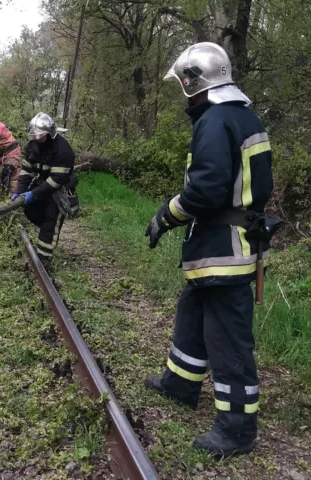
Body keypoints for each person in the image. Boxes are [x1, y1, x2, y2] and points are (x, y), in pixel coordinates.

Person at [144, 42, 275, 457]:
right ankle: (180, 383)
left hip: (225, 248)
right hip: (225, 246)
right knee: (193, 310)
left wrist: (166, 215)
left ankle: (237, 428)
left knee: (229, 338)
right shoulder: (243, 117)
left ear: (192, 82)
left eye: (183, 83)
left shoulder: (214, 120)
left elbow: (205, 191)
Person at [13, 112, 76, 265]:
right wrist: (19, 191)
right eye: (35, 137)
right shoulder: (32, 147)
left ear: (50, 133)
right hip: (41, 184)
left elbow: (55, 181)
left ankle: (43, 258)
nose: (38, 139)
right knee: (30, 210)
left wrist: (33, 194)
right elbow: (27, 172)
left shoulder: (63, 151)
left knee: (51, 220)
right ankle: (43, 231)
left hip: (58, 190)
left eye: (41, 136)